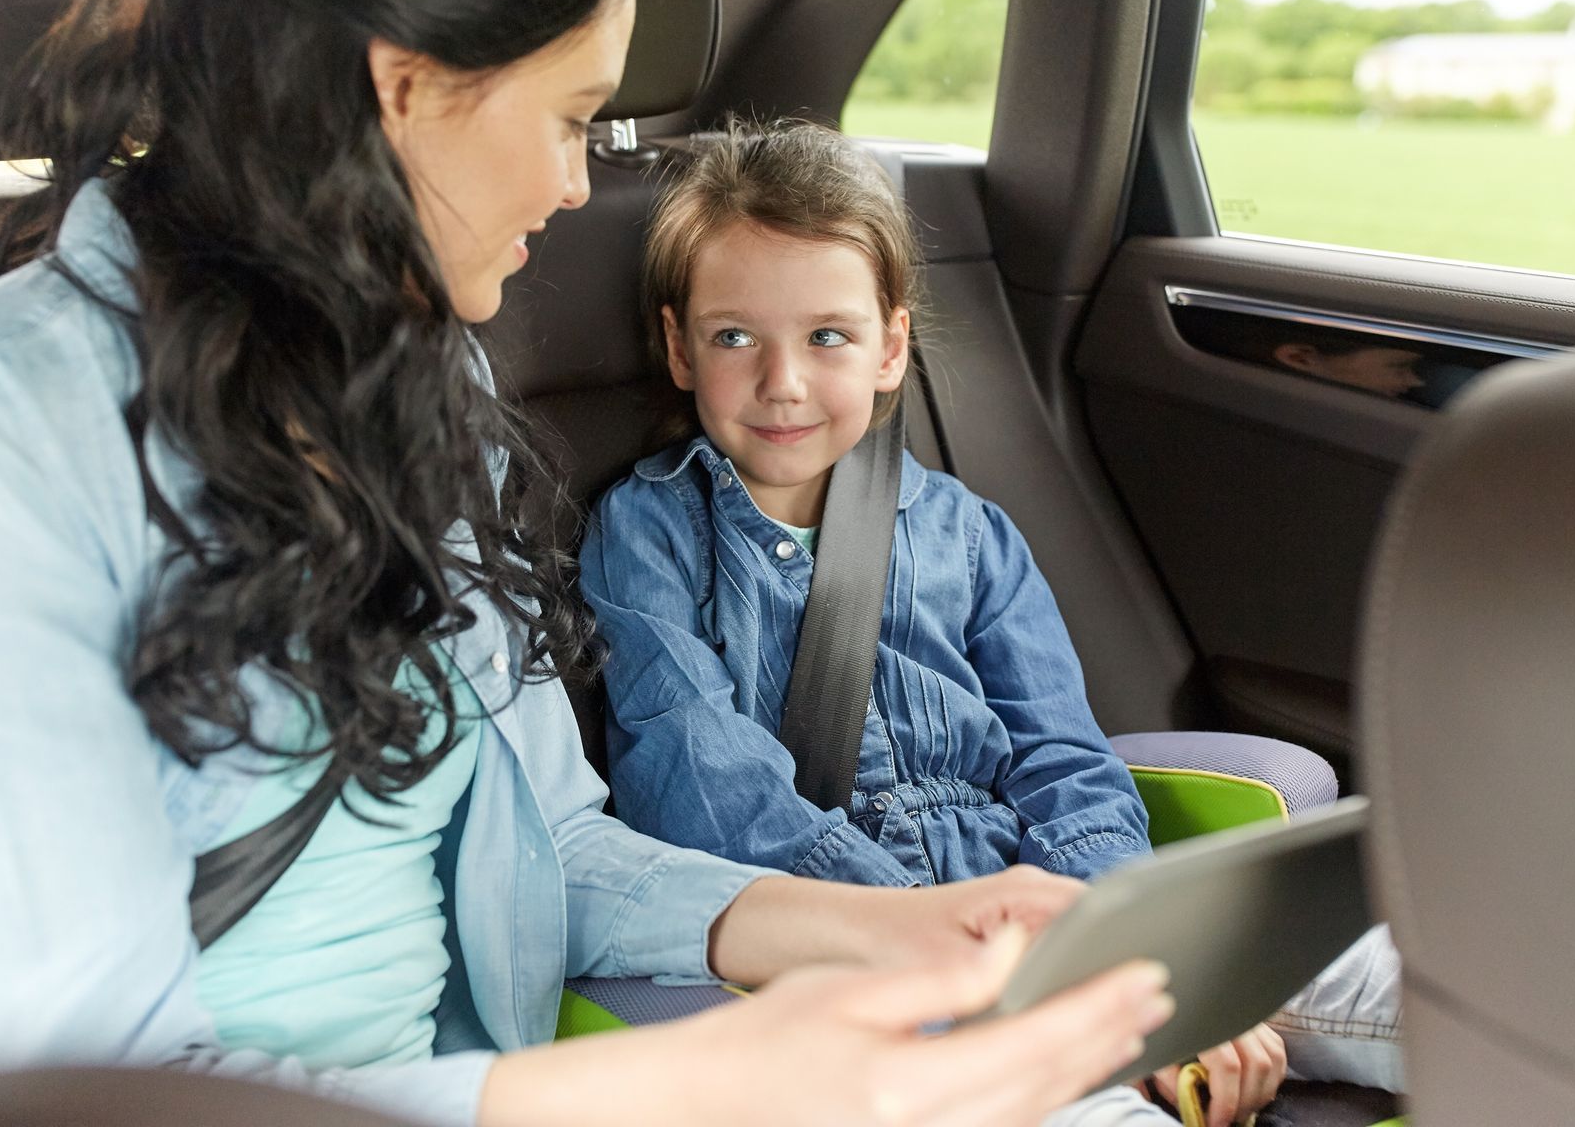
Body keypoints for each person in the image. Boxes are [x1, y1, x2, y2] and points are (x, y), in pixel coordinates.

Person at [0, 0, 1179, 1125]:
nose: (579, 187)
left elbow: (552, 844)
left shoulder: (418, 378)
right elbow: (96, 1082)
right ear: (406, 85)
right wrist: (691, 1084)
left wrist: (901, 931)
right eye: (571, 118)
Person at [578, 118, 1406, 1127]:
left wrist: (1129, 959)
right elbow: (705, 789)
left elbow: (1063, 759)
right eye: (734, 337)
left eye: (827, 336)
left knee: (1433, 978)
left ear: (891, 347)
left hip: (1042, 910)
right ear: (678, 346)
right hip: (842, 949)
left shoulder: (969, 534)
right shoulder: (649, 533)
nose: (782, 381)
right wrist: (954, 947)